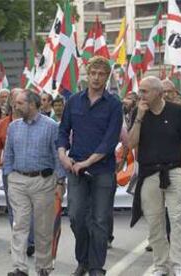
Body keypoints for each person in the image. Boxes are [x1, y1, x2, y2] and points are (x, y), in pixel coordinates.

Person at [57, 56, 123, 276]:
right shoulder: (74, 101)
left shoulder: (114, 104)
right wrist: (63, 155)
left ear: (107, 77)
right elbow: (63, 131)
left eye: (101, 74)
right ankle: (83, 260)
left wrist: (88, 162)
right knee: (76, 216)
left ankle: (96, 267)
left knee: (100, 219)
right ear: (87, 74)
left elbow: (110, 140)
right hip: (75, 168)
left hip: (102, 169)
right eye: (93, 73)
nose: (96, 77)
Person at [128, 76, 181, 276]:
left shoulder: (178, 111)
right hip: (149, 173)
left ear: (158, 93)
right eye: (140, 91)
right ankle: (160, 266)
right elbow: (130, 143)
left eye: (145, 91)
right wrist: (139, 116)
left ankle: (180, 265)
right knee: (155, 222)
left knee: (177, 219)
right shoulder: (136, 113)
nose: (141, 95)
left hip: (173, 170)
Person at [4, 89, 65, 276]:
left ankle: (43, 266)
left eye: (20, 103)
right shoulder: (13, 127)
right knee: (19, 225)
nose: (15, 106)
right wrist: (9, 176)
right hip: (18, 181)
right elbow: (8, 154)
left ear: (32, 104)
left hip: (43, 182)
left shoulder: (51, 126)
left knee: (43, 227)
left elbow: (57, 156)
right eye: (15, 103)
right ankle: (19, 268)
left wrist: (60, 181)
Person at [0, 88, 36, 256]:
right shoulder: (3, 124)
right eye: (16, 101)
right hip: (10, 172)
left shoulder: (36, 122)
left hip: (31, 171)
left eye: (22, 101)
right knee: (14, 209)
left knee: (29, 208)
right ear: (11, 103)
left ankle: (30, 241)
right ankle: (19, 241)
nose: (19, 104)